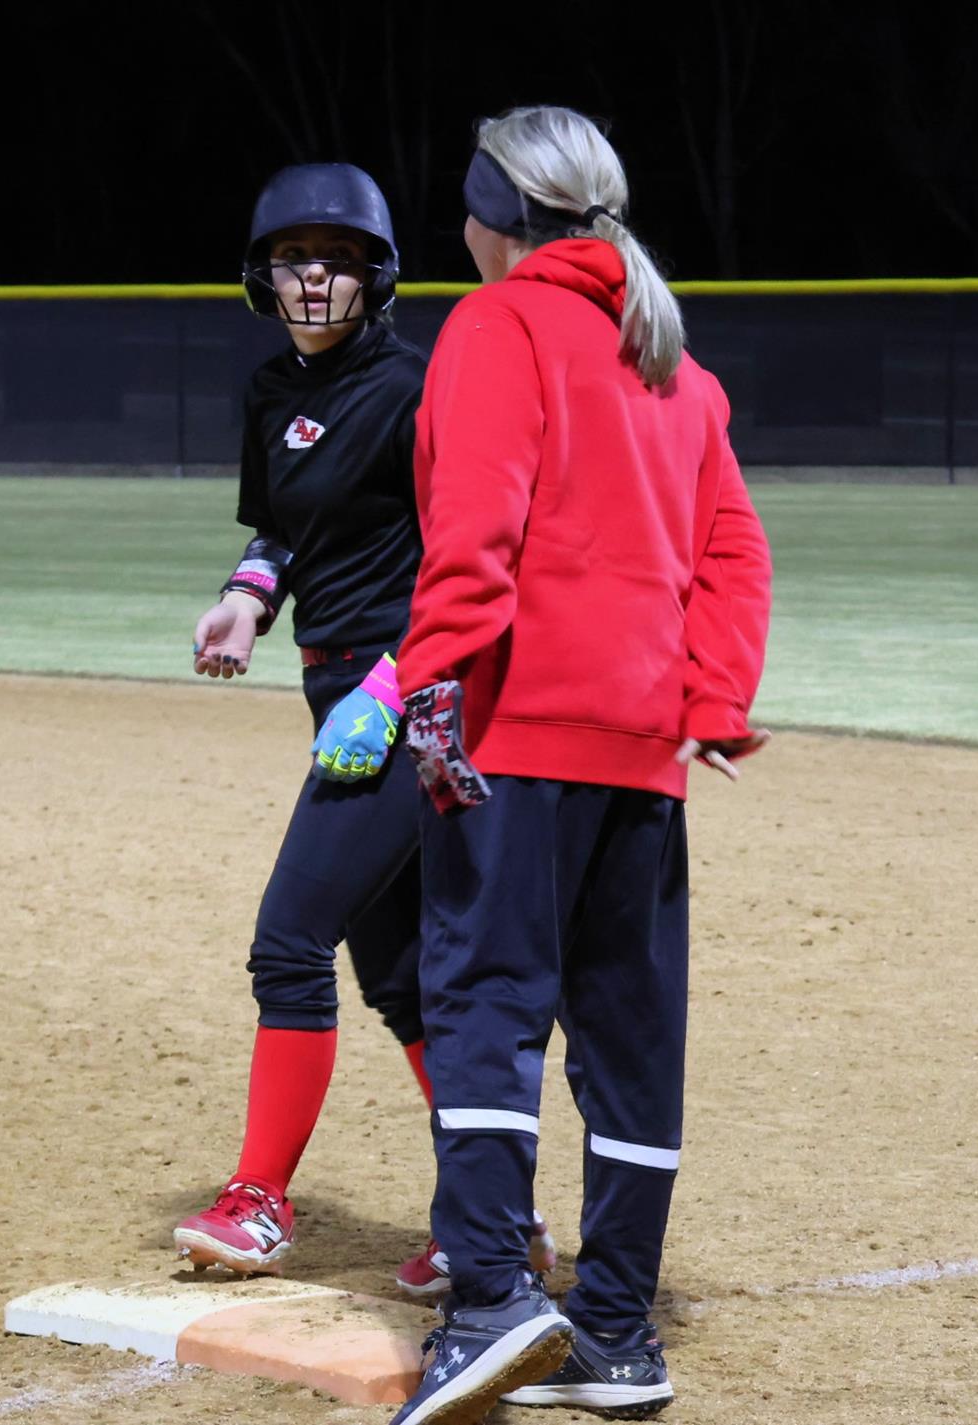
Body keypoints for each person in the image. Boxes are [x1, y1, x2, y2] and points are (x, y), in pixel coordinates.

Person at [386, 106, 772, 1425]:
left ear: (490, 215)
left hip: (517, 730)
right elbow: (734, 555)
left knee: (485, 1001)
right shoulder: (679, 367)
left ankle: (492, 1300)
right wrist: (711, 700)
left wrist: (427, 691)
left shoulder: (493, 329)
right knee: (629, 1035)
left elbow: (476, 529)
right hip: (644, 755)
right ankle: (615, 1332)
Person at [170, 163, 555, 1292]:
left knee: (288, 944)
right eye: (295, 258)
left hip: (409, 696)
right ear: (264, 274)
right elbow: (280, 533)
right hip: (331, 686)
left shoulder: (416, 390)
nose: (314, 278)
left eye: (337, 258)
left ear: (375, 274)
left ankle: (258, 1202)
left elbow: (469, 557)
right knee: (401, 982)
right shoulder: (269, 393)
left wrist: (389, 684)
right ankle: (497, 1219)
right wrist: (246, 598)